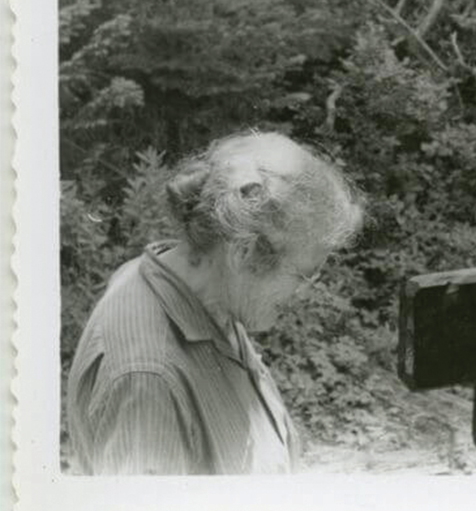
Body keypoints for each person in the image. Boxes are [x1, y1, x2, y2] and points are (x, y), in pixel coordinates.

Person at [66, 131, 364, 474]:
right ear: (244, 252)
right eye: (305, 276)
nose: (309, 293)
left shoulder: (210, 295)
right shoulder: (149, 380)